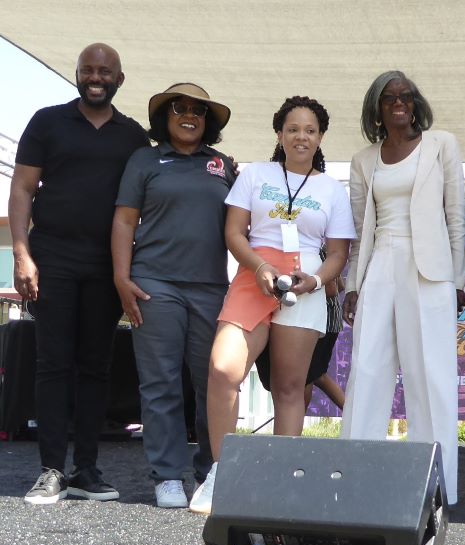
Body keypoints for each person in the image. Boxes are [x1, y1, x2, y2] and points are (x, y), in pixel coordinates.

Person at [189, 96, 355, 514]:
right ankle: (220, 475)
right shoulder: (256, 175)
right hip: (253, 277)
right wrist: (260, 267)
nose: (302, 136)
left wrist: (315, 280)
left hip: (307, 286)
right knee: (223, 370)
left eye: (311, 130)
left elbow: (338, 253)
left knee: (289, 387)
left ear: (320, 138)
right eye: (293, 129)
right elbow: (234, 233)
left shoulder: (331, 189)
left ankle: (285, 485)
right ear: (279, 134)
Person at [9, 43, 150, 505]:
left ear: (119, 79)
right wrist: (22, 254)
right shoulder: (47, 121)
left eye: (104, 71)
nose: (95, 77)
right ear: (76, 74)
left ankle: (86, 469)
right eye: (87, 70)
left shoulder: (133, 137)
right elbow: (23, 189)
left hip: (106, 266)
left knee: (96, 366)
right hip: (51, 259)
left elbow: (142, 204)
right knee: (52, 363)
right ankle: (50, 470)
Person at [339, 70, 465, 506]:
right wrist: (353, 285)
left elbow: (456, 218)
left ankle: (435, 484)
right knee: (368, 369)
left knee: (430, 374)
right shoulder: (363, 159)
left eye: (406, 96)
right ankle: (352, 477)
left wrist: (457, 278)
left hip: (429, 269)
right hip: (379, 266)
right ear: (376, 108)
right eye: (390, 98)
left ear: (416, 103)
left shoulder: (441, 145)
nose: (399, 103)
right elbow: (359, 231)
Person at [111, 83, 235, 508]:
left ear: (209, 121)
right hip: (153, 285)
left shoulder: (224, 165)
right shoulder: (144, 159)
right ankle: (166, 475)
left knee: (214, 383)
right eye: (179, 108)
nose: (189, 115)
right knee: (160, 383)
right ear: (164, 116)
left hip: (212, 288)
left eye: (199, 110)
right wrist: (121, 278)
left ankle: (209, 471)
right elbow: (125, 221)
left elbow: (245, 224)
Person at [255, 245, 347, 412]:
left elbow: (334, 289)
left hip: (322, 320)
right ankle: (294, 422)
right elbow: (340, 285)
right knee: (311, 377)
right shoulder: (322, 248)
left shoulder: (315, 250)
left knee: (311, 377)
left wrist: (301, 288)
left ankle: (295, 423)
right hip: (322, 319)